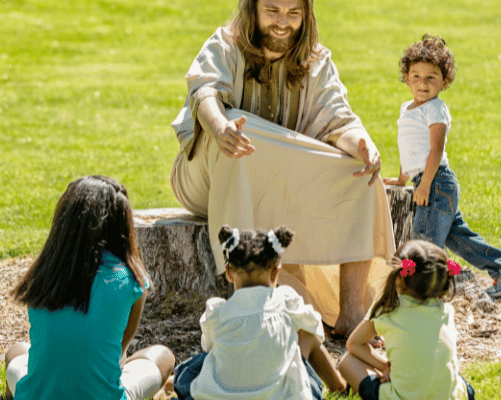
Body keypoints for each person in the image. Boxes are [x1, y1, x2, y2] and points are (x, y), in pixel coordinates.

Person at [169, 0, 396, 335]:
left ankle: (352, 313)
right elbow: (204, 93)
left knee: (358, 173)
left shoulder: (315, 59)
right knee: (238, 128)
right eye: (272, 11)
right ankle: (246, 308)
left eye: (293, 14)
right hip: (206, 177)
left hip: (277, 182)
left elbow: (337, 117)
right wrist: (220, 129)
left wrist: (361, 144)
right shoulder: (225, 43)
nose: (282, 23)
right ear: (253, 9)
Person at [3, 176, 175, 400]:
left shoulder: (44, 274)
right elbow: (119, 354)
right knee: (163, 356)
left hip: (38, 395)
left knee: (17, 350)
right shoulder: (132, 280)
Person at [382, 34, 501, 297]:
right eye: (416, 76)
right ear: (406, 77)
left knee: (425, 242)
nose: (422, 84)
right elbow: (410, 149)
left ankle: (420, 290)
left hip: (436, 182)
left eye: (431, 78)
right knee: (457, 238)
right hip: (430, 182)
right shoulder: (407, 108)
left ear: (444, 82)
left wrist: (424, 185)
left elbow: (435, 150)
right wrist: (403, 179)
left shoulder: (435, 109)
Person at [172, 225, 348, 400]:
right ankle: (338, 384)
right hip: (285, 396)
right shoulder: (286, 302)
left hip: (221, 396)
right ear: (275, 272)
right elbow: (314, 326)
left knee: (199, 363)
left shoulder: (218, 312)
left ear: (228, 272)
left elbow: (209, 346)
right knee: (308, 335)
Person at [337, 240, 476, 400]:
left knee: (346, 362)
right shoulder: (446, 310)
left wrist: (385, 366)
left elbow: (353, 344)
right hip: (455, 397)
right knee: (446, 370)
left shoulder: (388, 309)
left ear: (398, 276)